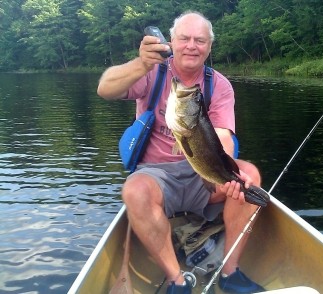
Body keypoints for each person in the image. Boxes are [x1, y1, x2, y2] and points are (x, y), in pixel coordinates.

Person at [97, 11, 265, 294]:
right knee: (134, 191)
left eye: (200, 40)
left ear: (209, 47)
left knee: (249, 175)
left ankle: (230, 272)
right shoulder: (151, 71)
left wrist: (229, 177)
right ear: (172, 42)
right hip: (157, 175)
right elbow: (105, 89)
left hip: (203, 173)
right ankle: (177, 280)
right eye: (184, 38)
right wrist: (140, 64)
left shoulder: (219, 85)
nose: (191, 45)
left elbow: (223, 136)